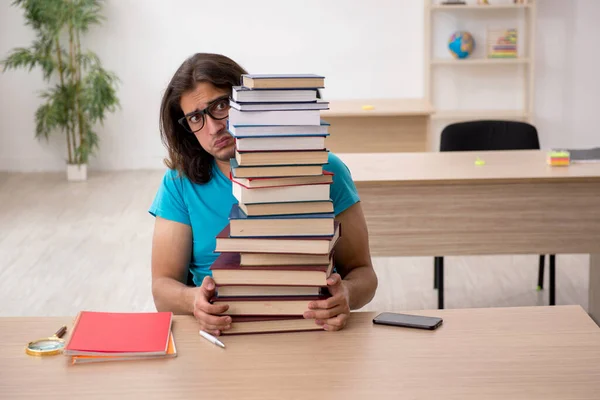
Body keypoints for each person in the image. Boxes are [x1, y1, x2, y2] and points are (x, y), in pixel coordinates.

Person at [149, 53, 378, 336]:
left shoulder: (325, 169)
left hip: (310, 331)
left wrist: (347, 294)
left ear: (247, 101)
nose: (214, 126)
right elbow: (162, 288)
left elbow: (364, 274)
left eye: (221, 105)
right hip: (223, 335)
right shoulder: (178, 183)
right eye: (196, 117)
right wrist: (192, 300)